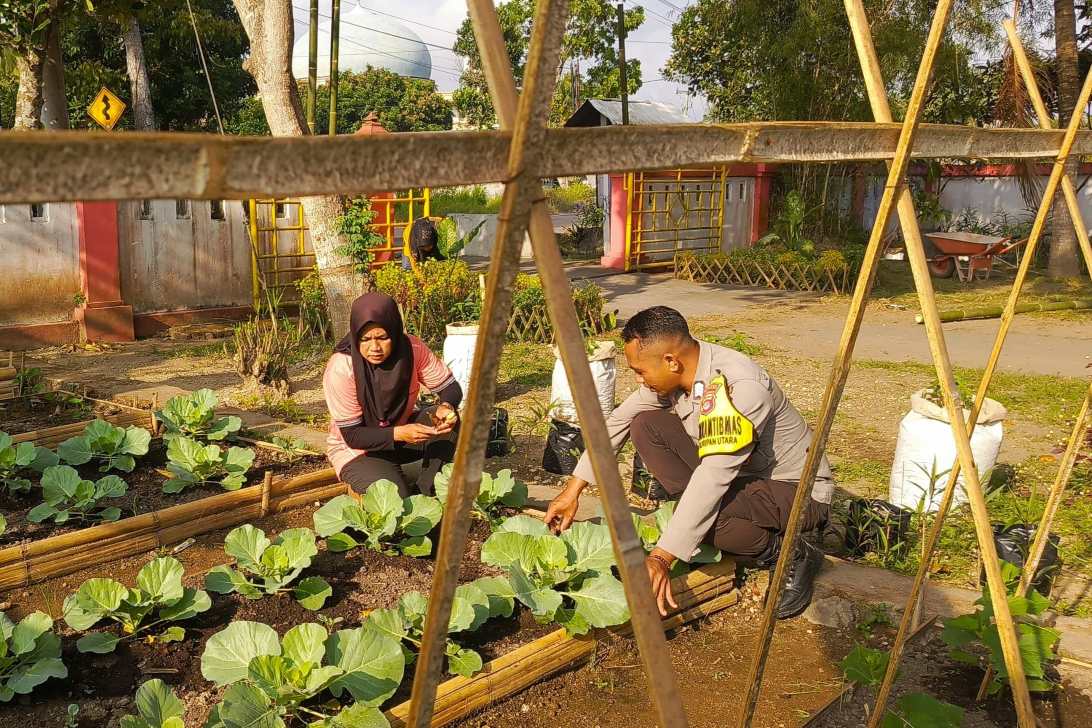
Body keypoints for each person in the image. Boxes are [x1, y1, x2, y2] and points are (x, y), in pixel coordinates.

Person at [543, 306, 833, 619]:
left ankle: (789, 555)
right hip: (743, 482)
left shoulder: (739, 389)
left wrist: (662, 557)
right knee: (644, 425)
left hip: (797, 493)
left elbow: (713, 478)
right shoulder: (683, 375)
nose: (640, 380)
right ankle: (717, 525)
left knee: (704, 518)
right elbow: (619, 421)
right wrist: (572, 490)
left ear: (671, 361)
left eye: (641, 371)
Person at [322, 292, 461, 497]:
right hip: (358, 450)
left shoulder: (412, 350)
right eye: (365, 339)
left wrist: (447, 406)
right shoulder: (341, 367)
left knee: (451, 423)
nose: (374, 348)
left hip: (401, 434)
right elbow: (352, 436)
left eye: (382, 338)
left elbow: (450, 387)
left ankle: (427, 491)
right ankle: (385, 481)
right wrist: (399, 433)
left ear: (395, 332)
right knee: (395, 498)